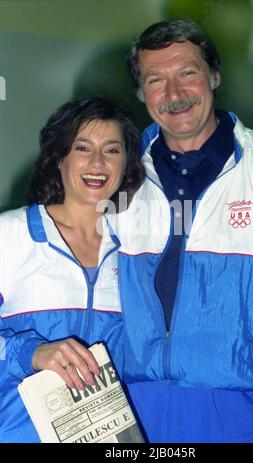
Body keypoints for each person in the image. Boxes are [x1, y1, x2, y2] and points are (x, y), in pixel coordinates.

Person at [106, 18, 253, 443]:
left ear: (214, 76)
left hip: (242, 408)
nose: (174, 94)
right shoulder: (118, 174)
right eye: (156, 80)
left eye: (187, 73)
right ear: (141, 94)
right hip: (134, 409)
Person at [0, 95, 144, 442]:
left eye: (112, 150)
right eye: (83, 148)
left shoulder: (136, 252)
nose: (98, 162)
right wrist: (30, 352)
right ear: (59, 158)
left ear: (127, 164)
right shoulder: (10, 235)